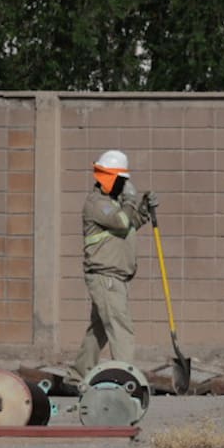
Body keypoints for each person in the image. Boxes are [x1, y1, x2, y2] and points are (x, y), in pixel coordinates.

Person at [65, 150, 158, 387]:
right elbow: (121, 222)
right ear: (110, 178)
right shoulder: (98, 204)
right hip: (105, 276)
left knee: (98, 331)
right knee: (121, 327)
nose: (124, 185)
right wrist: (130, 200)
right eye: (121, 180)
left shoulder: (114, 204)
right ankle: (126, 381)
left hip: (114, 276)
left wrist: (143, 209)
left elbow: (130, 224)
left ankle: (77, 376)